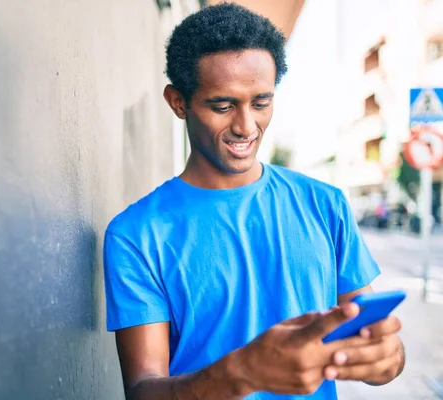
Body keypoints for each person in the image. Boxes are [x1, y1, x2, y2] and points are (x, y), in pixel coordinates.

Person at [102, 4, 405, 399]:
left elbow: (367, 338)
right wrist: (241, 373)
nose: (247, 126)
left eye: (261, 103)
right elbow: (143, 390)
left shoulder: (325, 205)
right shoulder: (135, 234)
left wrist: (388, 358)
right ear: (178, 103)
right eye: (223, 106)